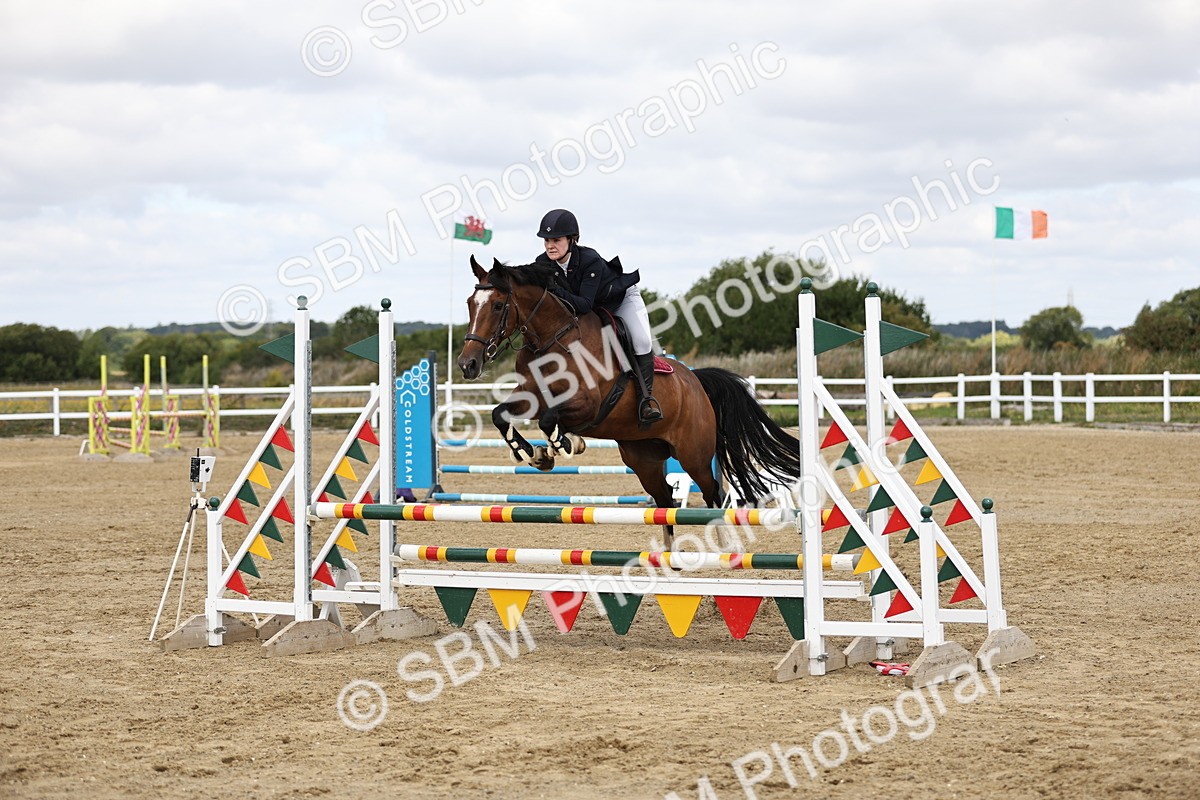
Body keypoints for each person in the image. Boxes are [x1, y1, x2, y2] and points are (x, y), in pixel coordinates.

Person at [534, 208, 663, 425]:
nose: (550, 245)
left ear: (572, 240)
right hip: (594, 307)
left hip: (620, 300)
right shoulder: (543, 262)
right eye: (546, 240)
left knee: (642, 341)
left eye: (556, 240)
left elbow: (584, 304)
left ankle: (646, 400)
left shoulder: (589, 259)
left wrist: (554, 289)